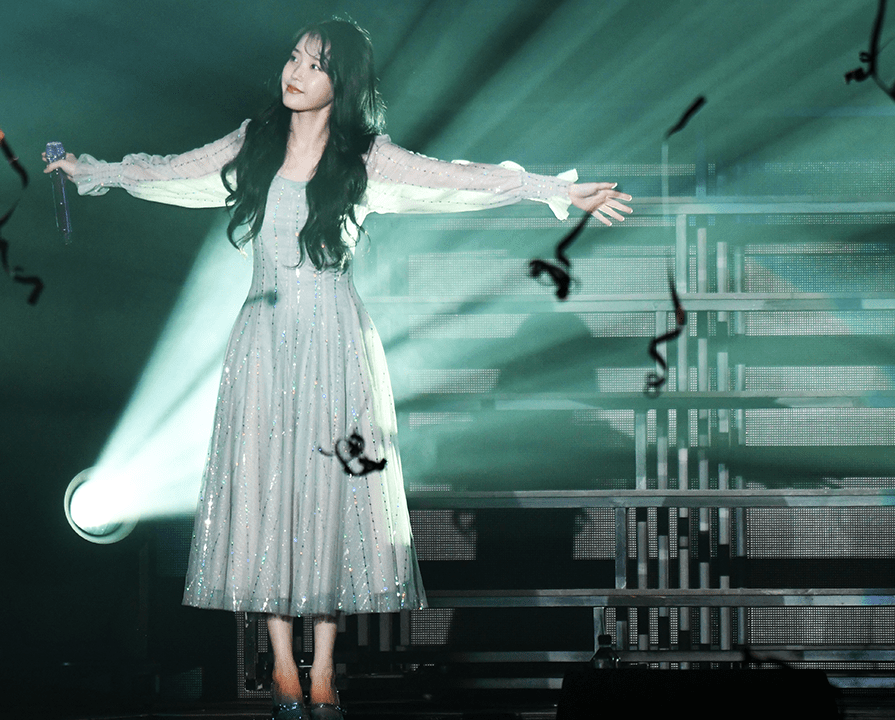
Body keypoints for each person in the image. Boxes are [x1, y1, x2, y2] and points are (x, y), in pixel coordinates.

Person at [45, 18, 630, 720]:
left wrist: (557, 191)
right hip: (262, 337)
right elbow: (176, 169)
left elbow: (457, 180)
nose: (294, 71)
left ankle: (322, 670)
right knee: (267, 492)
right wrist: (93, 172)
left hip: (333, 338)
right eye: (293, 57)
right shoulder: (252, 142)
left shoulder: (365, 157)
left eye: (314, 64)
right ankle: (283, 672)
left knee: (329, 498)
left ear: (341, 83)